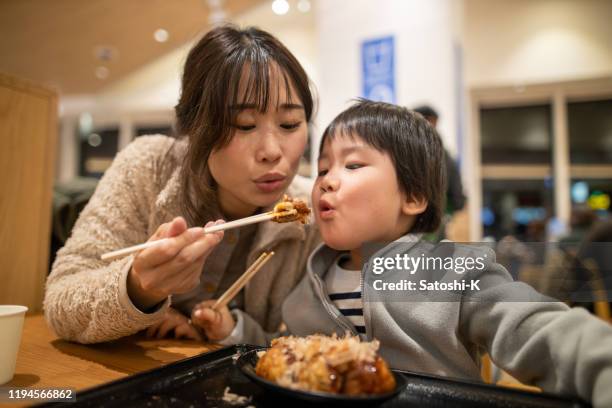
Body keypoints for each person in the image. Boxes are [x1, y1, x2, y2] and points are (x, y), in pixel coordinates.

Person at [193, 100, 612, 407]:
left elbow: (538, 330)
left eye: (352, 166)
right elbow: (288, 356)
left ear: (413, 197)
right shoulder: (312, 281)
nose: (326, 182)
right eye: (321, 169)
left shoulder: (449, 271)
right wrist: (234, 329)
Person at [43, 25, 320, 344]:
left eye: (290, 124)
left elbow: (299, 341)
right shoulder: (149, 169)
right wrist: (138, 286)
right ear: (194, 128)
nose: (272, 152)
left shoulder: (307, 214)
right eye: (244, 125)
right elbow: (60, 300)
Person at [413, 105, 465, 215]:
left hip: (430, 213)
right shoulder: (437, 150)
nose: (433, 128)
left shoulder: (438, 151)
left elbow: (455, 192)